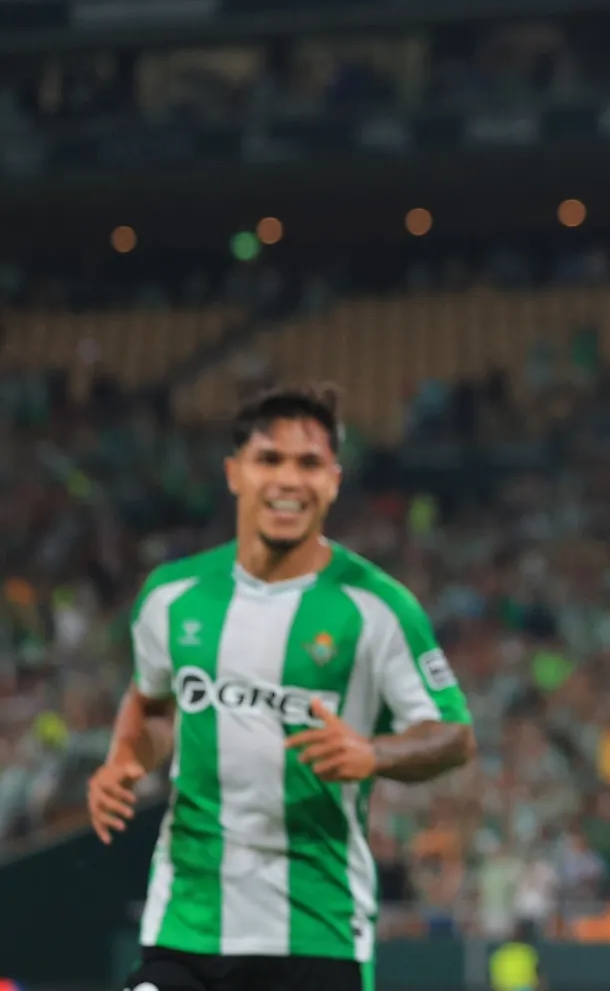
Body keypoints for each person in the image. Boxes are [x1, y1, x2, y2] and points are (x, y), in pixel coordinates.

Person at [88, 384, 476, 991]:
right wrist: (124, 759)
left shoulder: (377, 608)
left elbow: (454, 735)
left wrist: (374, 755)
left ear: (334, 481)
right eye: (270, 460)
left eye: (309, 463)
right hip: (186, 924)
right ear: (235, 473)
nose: (289, 480)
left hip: (315, 933)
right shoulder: (170, 596)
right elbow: (155, 703)